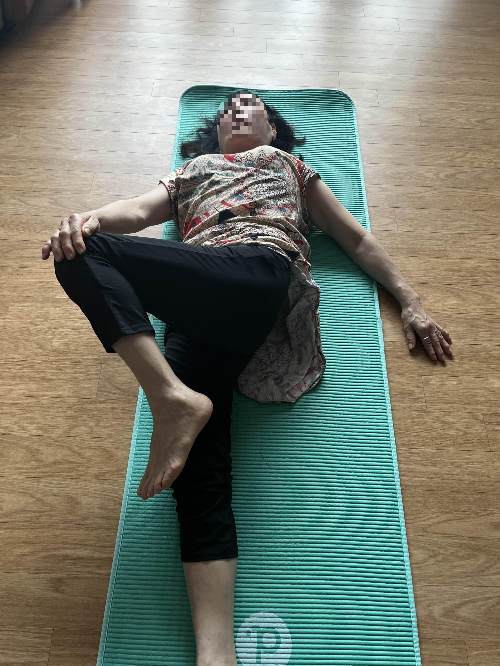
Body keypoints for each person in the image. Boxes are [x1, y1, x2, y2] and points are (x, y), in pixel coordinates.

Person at [41, 90, 452, 666]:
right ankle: (217, 654)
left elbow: (355, 238)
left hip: (255, 272)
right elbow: (134, 212)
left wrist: (409, 301)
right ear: (213, 132)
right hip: (197, 310)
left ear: (273, 128)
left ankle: (169, 399)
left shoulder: (288, 165)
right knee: (196, 474)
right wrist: (87, 220)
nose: (236, 109)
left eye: (250, 104)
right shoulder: (191, 172)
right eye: (228, 107)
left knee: (85, 256)